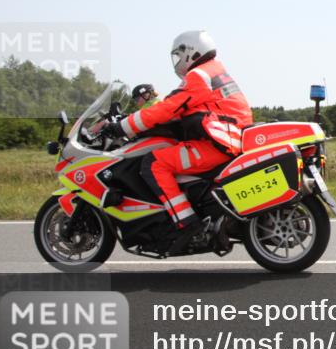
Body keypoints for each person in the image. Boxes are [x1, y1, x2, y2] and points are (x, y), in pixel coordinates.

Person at [106, 30, 253, 251]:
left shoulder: (198, 76)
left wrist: (122, 126)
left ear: (190, 52)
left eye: (178, 55)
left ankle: (186, 223)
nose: (176, 62)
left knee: (154, 163)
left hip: (216, 143)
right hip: (228, 137)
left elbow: (167, 107)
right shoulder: (215, 70)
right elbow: (186, 109)